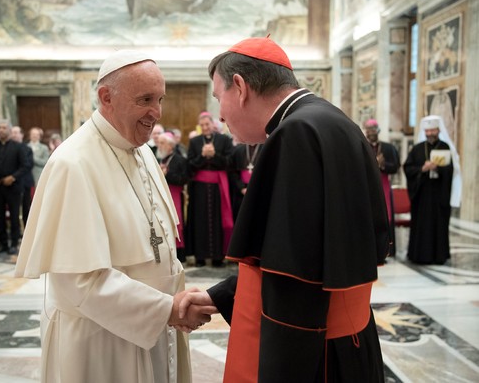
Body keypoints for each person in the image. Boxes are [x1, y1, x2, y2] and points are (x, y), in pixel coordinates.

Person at [178, 37, 389, 382]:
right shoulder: (330, 120)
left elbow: (296, 285)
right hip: (347, 342)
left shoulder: (295, 134)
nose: (219, 114)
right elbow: (302, 260)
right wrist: (223, 295)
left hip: (316, 356)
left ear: (241, 87)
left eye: (219, 97)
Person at [14, 49, 214, 383]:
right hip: (102, 342)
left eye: (160, 99)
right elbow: (81, 281)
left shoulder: (142, 151)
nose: (157, 112)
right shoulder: (73, 164)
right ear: (106, 97)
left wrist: (173, 304)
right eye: (145, 99)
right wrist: (167, 308)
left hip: (154, 326)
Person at [403, 115, 458, 265]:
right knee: (422, 225)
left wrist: (438, 168)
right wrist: (422, 168)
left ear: (438, 130)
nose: (430, 133)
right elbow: (407, 168)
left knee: (439, 224)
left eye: (433, 130)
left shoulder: (445, 147)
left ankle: (439, 256)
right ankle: (419, 255)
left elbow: (450, 170)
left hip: (439, 194)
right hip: (422, 195)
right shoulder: (417, 149)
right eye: (427, 131)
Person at [185, 111, 234, 267]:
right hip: (199, 189)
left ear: (213, 124)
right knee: (199, 220)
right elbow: (190, 166)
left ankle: (218, 257)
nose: (205, 127)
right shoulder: (194, 142)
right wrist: (202, 155)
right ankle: (200, 257)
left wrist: (214, 155)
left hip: (218, 188)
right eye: (202, 125)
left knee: (218, 220)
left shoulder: (224, 140)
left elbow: (229, 162)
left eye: (207, 124)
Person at [0, 120, 27, 255]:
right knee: (0, 216)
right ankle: (2, 243)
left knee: (14, 216)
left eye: (4, 128)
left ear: (9, 130)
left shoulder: (18, 147)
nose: (1, 130)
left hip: (12, 187)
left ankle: (14, 243)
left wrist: (13, 177)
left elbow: (25, 166)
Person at [363, 119, 400, 255]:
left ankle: (387, 249)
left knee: (386, 215)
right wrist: (374, 163)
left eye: (373, 129)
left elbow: (396, 167)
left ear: (378, 130)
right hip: (366, 187)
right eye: (368, 129)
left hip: (383, 185)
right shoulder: (361, 145)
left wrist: (382, 165)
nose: (370, 131)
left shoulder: (388, 148)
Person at [157, 132, 189, 262]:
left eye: (162, 143)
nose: (159, 145)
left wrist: (167, 175)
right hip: (162, 195)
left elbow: (184, 179)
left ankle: (179, 253)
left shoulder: (179, 160)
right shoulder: (160, 159)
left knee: (177, 223)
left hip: (175, 195)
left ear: (170, 146)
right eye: (159, 142)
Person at [229, 141, 263, 221]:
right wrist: (241, 188)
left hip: (259, 190)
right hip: (241, 192)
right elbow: (233, 172)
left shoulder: (265, 147)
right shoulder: (238, 150)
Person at [11, 126, 35, 226]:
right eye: (12, 133)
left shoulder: (27, 149)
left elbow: (28, 165)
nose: (14, 135)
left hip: (25, 182)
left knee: (26, 208)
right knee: (14, 210)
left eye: (16, 132)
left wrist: (15, 175)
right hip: (13, 184)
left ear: (21, 135)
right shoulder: (9, 149)